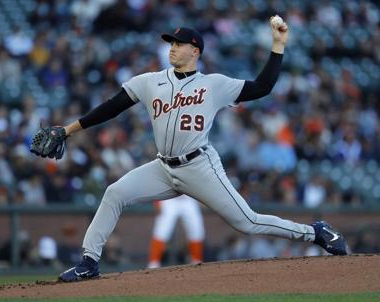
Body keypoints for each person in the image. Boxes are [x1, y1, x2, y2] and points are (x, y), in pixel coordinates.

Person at [40, 16, 348, 282]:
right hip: (163, 167)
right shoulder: (150, 82)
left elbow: (262, 87)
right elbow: (111, 108)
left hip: (199, 166)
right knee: (114, 193)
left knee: (247, 222)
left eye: (179, 43)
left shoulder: (214, 84)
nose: (172, 47)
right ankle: (89, 262)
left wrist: (278, 46)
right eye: (170, 42)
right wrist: (67, 131)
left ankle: (315, 232)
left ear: (195, 50)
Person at [148, 194, 205, 268]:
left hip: (188, 198)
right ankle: (153, 263)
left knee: (196, 230)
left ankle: (197, 260)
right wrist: (157, 201)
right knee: (162, 231)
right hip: (169, 198)